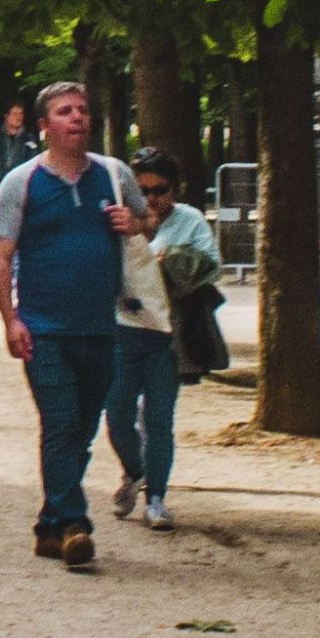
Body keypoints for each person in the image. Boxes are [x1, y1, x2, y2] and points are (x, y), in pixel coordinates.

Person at [0, 79, 149, 571]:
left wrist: (133, 224)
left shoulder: (115, 175)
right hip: (44, 327)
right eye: (64, 111)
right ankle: (77, 525)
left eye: (82, 109)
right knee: (59, 423)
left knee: (80, 429)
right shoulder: (23, 182)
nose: (77, 117)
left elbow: (148, 222)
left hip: (101, 324)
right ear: (44, 126)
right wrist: (11, 320)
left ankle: (48, 525)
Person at [108, 149, 219, 529]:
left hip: (167, 335)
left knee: (158, 418)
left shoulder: (190, 221)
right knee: (117, 413)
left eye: (161, 189)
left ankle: (156, 497)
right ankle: (134, 472)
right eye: (143, 190)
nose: (152, 198)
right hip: (122, 328)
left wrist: (170, 258)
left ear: (175, 188)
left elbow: (211, 265)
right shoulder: (118, 221)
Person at [0, 100, 35, 197]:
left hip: (21, 187)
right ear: (6, 116)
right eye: (15, 113)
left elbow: (34, 162)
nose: (19, 117)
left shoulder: (29, 137)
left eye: (21, 114)